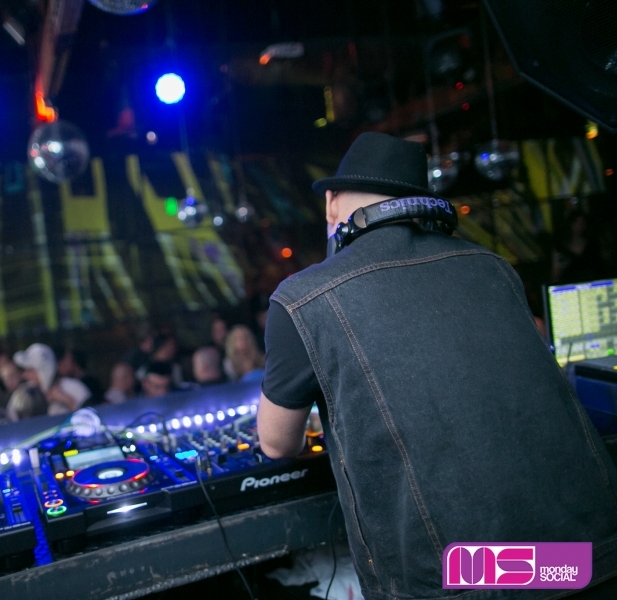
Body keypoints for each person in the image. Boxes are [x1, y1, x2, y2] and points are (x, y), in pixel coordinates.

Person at [256, 132, 617, 599]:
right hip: (587, 555)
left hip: (465, 580)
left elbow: (276, 443)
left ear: (331, 203)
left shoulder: (302, 297)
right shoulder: (493, 267)